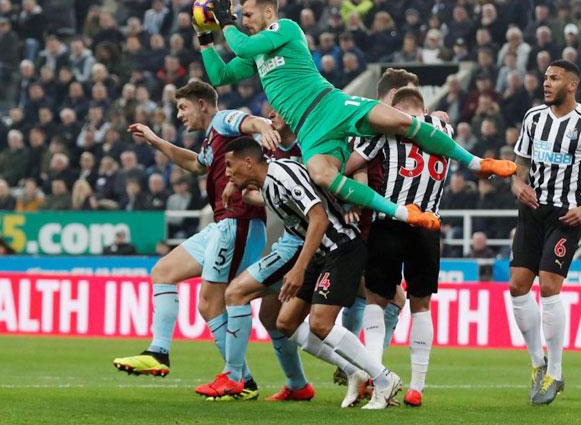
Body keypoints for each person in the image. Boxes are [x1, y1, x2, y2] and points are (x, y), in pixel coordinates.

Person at [195, 0, 516, 232]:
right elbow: (220, 76)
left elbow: (243, 44)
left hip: (331, 103)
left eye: (247, 15)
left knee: (400, 122)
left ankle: (477, 163)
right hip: (308, 128)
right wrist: (206, 41)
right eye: (240, 16)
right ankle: (404, 212)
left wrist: (227, 23)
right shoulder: (256, 53)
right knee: (321, 175)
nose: (243, 21)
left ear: (268, 12)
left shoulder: (286, 29)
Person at [112, 81, 278, 402]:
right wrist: (157, 141)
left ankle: (239, 380)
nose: (180, 115)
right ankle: (159, 352)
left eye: (183, 107)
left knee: (213, 301)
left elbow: (249, 121)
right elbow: (194, 164)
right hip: (220, 224)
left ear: (202, 104)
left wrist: (265, 126)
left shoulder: (222, 120)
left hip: (238, 222)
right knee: (163, 272)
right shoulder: (211, 141)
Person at [224, 137, 402, 410]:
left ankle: (383, 378)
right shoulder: (270, 185)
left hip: (341, 247)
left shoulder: (282, 175)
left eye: (229, 165)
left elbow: (318, 217)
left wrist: (298, 268)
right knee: (286, 323)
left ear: (248, 162)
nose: (227, 172)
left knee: (321, 323)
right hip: (321, 254)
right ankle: (354, 370)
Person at [510, 60, 581, 405]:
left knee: (549, 283)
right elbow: (519, 164)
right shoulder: (533, 118)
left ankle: (555, 371)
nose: (546, 83)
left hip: (566, 215)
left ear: (572, 85)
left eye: (554, 78)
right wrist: (517, 184)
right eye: (545, 78)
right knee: (517, 285)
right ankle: (537, 364)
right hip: (532, 211)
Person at [198, 109, 315, 402]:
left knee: (236, 292)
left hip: (304, 243)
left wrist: (253, 195)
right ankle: (298, 384)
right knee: (271, 316)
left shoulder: (310, 147)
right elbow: (269, 187)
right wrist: (238, 185)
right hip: (293, 239)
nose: (270, 115)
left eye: (277, 110)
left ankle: (234, 377)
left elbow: (313, 204)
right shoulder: (272, 151)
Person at [345, 86, 451, 407]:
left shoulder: (388, 129)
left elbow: (352, 163)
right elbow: (437, 116)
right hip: (429, 226)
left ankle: (377, 377)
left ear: (398, 109)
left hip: (390, 220)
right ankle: (417, 386)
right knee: (421, 305)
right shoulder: (443, 128)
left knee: (376, 300)